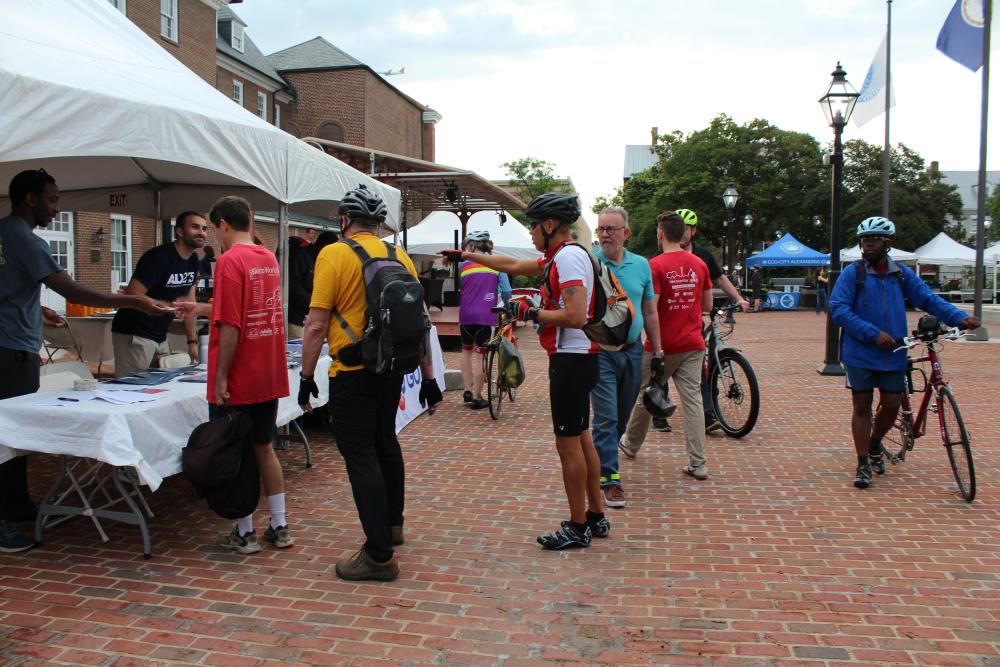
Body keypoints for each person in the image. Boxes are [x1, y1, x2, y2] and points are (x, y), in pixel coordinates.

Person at [0, 169, 168, 553]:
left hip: (11, 344)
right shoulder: (25, 239)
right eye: (52, 200)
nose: (56, 208)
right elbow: (73, 291)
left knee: (12, 434)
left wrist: (36, 308)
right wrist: (133, 300)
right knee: (7, 435)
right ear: (30, 199)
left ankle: (16, 504)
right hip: (11, 350)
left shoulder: (3, 232)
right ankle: (3, 519)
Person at [441, 193, 610, 550]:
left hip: (572, 358)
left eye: (533, 225)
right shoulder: (561, 255)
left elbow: (575, 315)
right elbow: (514, 265)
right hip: (579, 358)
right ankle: (595, 515)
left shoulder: (568, 259)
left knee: (567, 444)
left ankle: (577, 525)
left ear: (550, 225)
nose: (530, 232)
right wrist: (467, 256)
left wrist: (529, 313)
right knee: (582, 438)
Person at [297, 185, 443, 581]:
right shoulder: (399, 256)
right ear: (378, 225)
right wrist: (429, 379)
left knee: (361, 456)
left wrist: (306, 377)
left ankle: (379, 556)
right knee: (385, 444)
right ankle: (392, 526)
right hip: (392, 370)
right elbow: (420, 323)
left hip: (352, 372)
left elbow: (316, 325)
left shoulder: (334, 254)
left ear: (344, 220)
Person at [829, 216, 979, 490]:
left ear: (888, 242)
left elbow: (927, 299)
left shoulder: (901, 274)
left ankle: (875, 443)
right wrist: (872, 333)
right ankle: (863, 464)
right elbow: (838, 309)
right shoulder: (853, 273)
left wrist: (959, 317)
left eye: (875, 239)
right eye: (865, 239)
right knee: (861, 405)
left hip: (895, 351)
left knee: (892, 404)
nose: (869, 243)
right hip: (860, 352)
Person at [203, 196, 291, 554]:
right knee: (264, 447)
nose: (216, 235)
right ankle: (280, 525)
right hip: (267, 369)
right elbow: (253, 306)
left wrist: (221, 375)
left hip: (241, 373)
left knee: (236, 454)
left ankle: (245, 532)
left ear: (223, 224)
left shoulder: (229, 261)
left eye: (215, 229)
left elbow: (231, 324)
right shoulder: (267, 258)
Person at [619, 212, 714, 479]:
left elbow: (651, 307)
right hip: (693, 342)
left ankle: (631, 444)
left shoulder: (655, 265)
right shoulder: (699, 264)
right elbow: (708, 305)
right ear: (683, 233)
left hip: (662, 343)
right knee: (693, 401)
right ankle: (698, 462)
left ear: (660, 233)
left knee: (647, 393)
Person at [591, 207, 660, 509]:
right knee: (606, 417)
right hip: (600, 353)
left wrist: (658, 350)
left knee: (620, 415)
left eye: (611, 229)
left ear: (626, 233)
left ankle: (599, 460)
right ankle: (610, 478)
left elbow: (650, 311)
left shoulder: (641, 265)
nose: (605, 235)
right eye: (601, 229)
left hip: (633, 351)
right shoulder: (591, 263)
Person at [110, 211, 206, 376]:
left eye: (204, 228)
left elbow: (191, 302)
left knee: (164, 385)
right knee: (133, 387)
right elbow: (133, 294)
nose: (201, 232)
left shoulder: (193, 260)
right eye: (195, 227)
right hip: (135, 333)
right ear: (180, 231)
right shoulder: (159, 257)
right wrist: (164, 304)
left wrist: (192, 342)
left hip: (161, 335)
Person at [457, 230, 512, 410]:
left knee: (466, 351)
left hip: (465, 315)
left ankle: (467, 389)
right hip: (486, 315)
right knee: (481, 355)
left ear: (472, 246)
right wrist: (505, 305)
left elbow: (462, 287)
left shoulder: (462, 265)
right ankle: (476, 396)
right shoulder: (496, 264)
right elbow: (507, 291)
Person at [287, 231, 339, 339]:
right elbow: (293, 285)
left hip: (313, 316)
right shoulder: (301, 256)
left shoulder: (320, 259)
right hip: (296, 318)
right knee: (298, 346)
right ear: (325, 246)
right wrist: (312, 304)